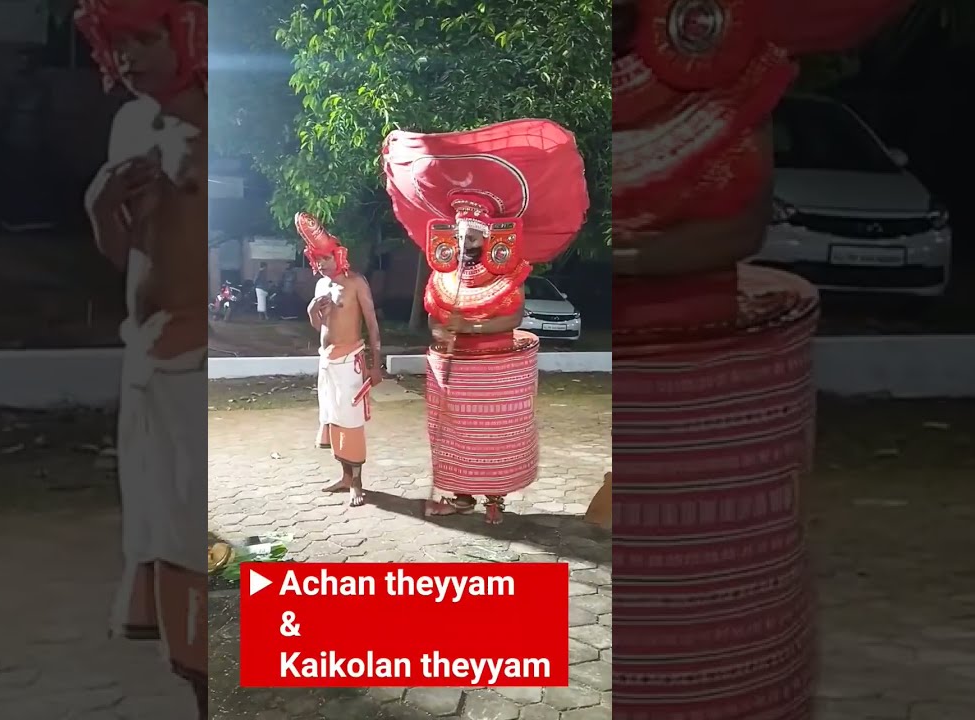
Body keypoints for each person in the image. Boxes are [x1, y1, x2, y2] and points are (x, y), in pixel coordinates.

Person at [613, 0, 911, 717]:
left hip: (705, 364)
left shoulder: (727, 71)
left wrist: (623, 256)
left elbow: (741, 228)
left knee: (714, 583)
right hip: (609, 372)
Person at [74, 0, 207, 716]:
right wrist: (100, 209)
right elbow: (127, 256)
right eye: (117, 44)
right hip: (146, 362)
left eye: (147, 40)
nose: (128, 58)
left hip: (204, 368)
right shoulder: (128, 125)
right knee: (165, 551)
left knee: (203, 548)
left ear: (185, 35)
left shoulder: (228, 124)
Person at [382, 119, 589, 525]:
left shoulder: (510, 275)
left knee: (491, 438)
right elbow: (436, 324)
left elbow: (511, 317)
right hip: (453, 373)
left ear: (490, 238)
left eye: (473, 239)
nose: (465, 246)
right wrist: (446, 331)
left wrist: (470, 329)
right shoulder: (442, 278)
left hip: (495, 371)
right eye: (460, 239)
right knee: (455, 436)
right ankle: (460, 497)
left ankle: (495, 498)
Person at [297, 212, 382, 508]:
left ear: (338, 255)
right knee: (333, 419)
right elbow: (320, 328)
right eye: (316, 260)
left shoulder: (356, 282)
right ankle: (345, 477)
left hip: (351, 362)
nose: (321, 265)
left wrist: (376, 363)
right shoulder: (321, 286)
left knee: (351, 420)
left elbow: (371, 324)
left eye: (325, 259)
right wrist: (311, 310)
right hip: (327, 362)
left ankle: (358, 483)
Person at [0, 47, 54, 232]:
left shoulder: (30, 84)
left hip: (25, 133)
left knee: (25, 174)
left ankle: (21, 215)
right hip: (21, 132)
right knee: (20, 174)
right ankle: (18, 215)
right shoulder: (27, 84)